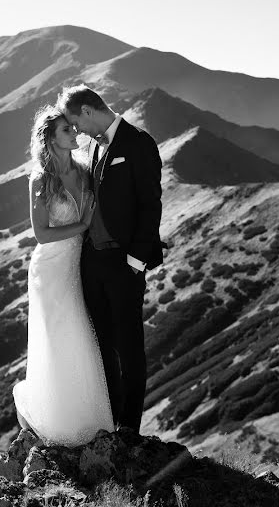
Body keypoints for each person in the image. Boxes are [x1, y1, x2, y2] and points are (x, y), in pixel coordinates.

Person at [59, 84, 164, 433]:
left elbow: (151, 206)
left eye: (76, 124)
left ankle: (130, 427)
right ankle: (110, 418)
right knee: (101, 342)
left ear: (88, 111)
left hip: (124, 264)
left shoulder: (138, 143)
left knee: (129, 345)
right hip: (93, 263)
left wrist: (135, 263)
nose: (77, 132)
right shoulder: (92, 147)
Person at [12, 105, 115, 446]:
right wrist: (81, 225)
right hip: (50, 270)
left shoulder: (85, 172)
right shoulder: (41, 180)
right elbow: (41, 233)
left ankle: (85, 423)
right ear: (51, 140)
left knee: (79, 337)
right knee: (59, 339)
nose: (75, 134)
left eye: (73, 129)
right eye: (67, 131)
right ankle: (55, 422)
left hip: (76, 266)